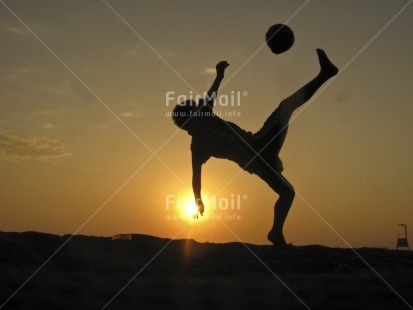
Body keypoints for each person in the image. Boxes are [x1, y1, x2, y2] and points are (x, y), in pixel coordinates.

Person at [172, 49, 338, 245]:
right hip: (257, 147)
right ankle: (324, 75)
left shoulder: (202, 128)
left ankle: (276, 232)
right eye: (195, 110)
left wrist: (219, 75)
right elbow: (195, 175)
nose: (200, 109)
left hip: (256, 159)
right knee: (286, 107)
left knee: (287, 193)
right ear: (189, 122)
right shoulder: (198, 141)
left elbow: (211, 95)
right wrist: (197, 199)